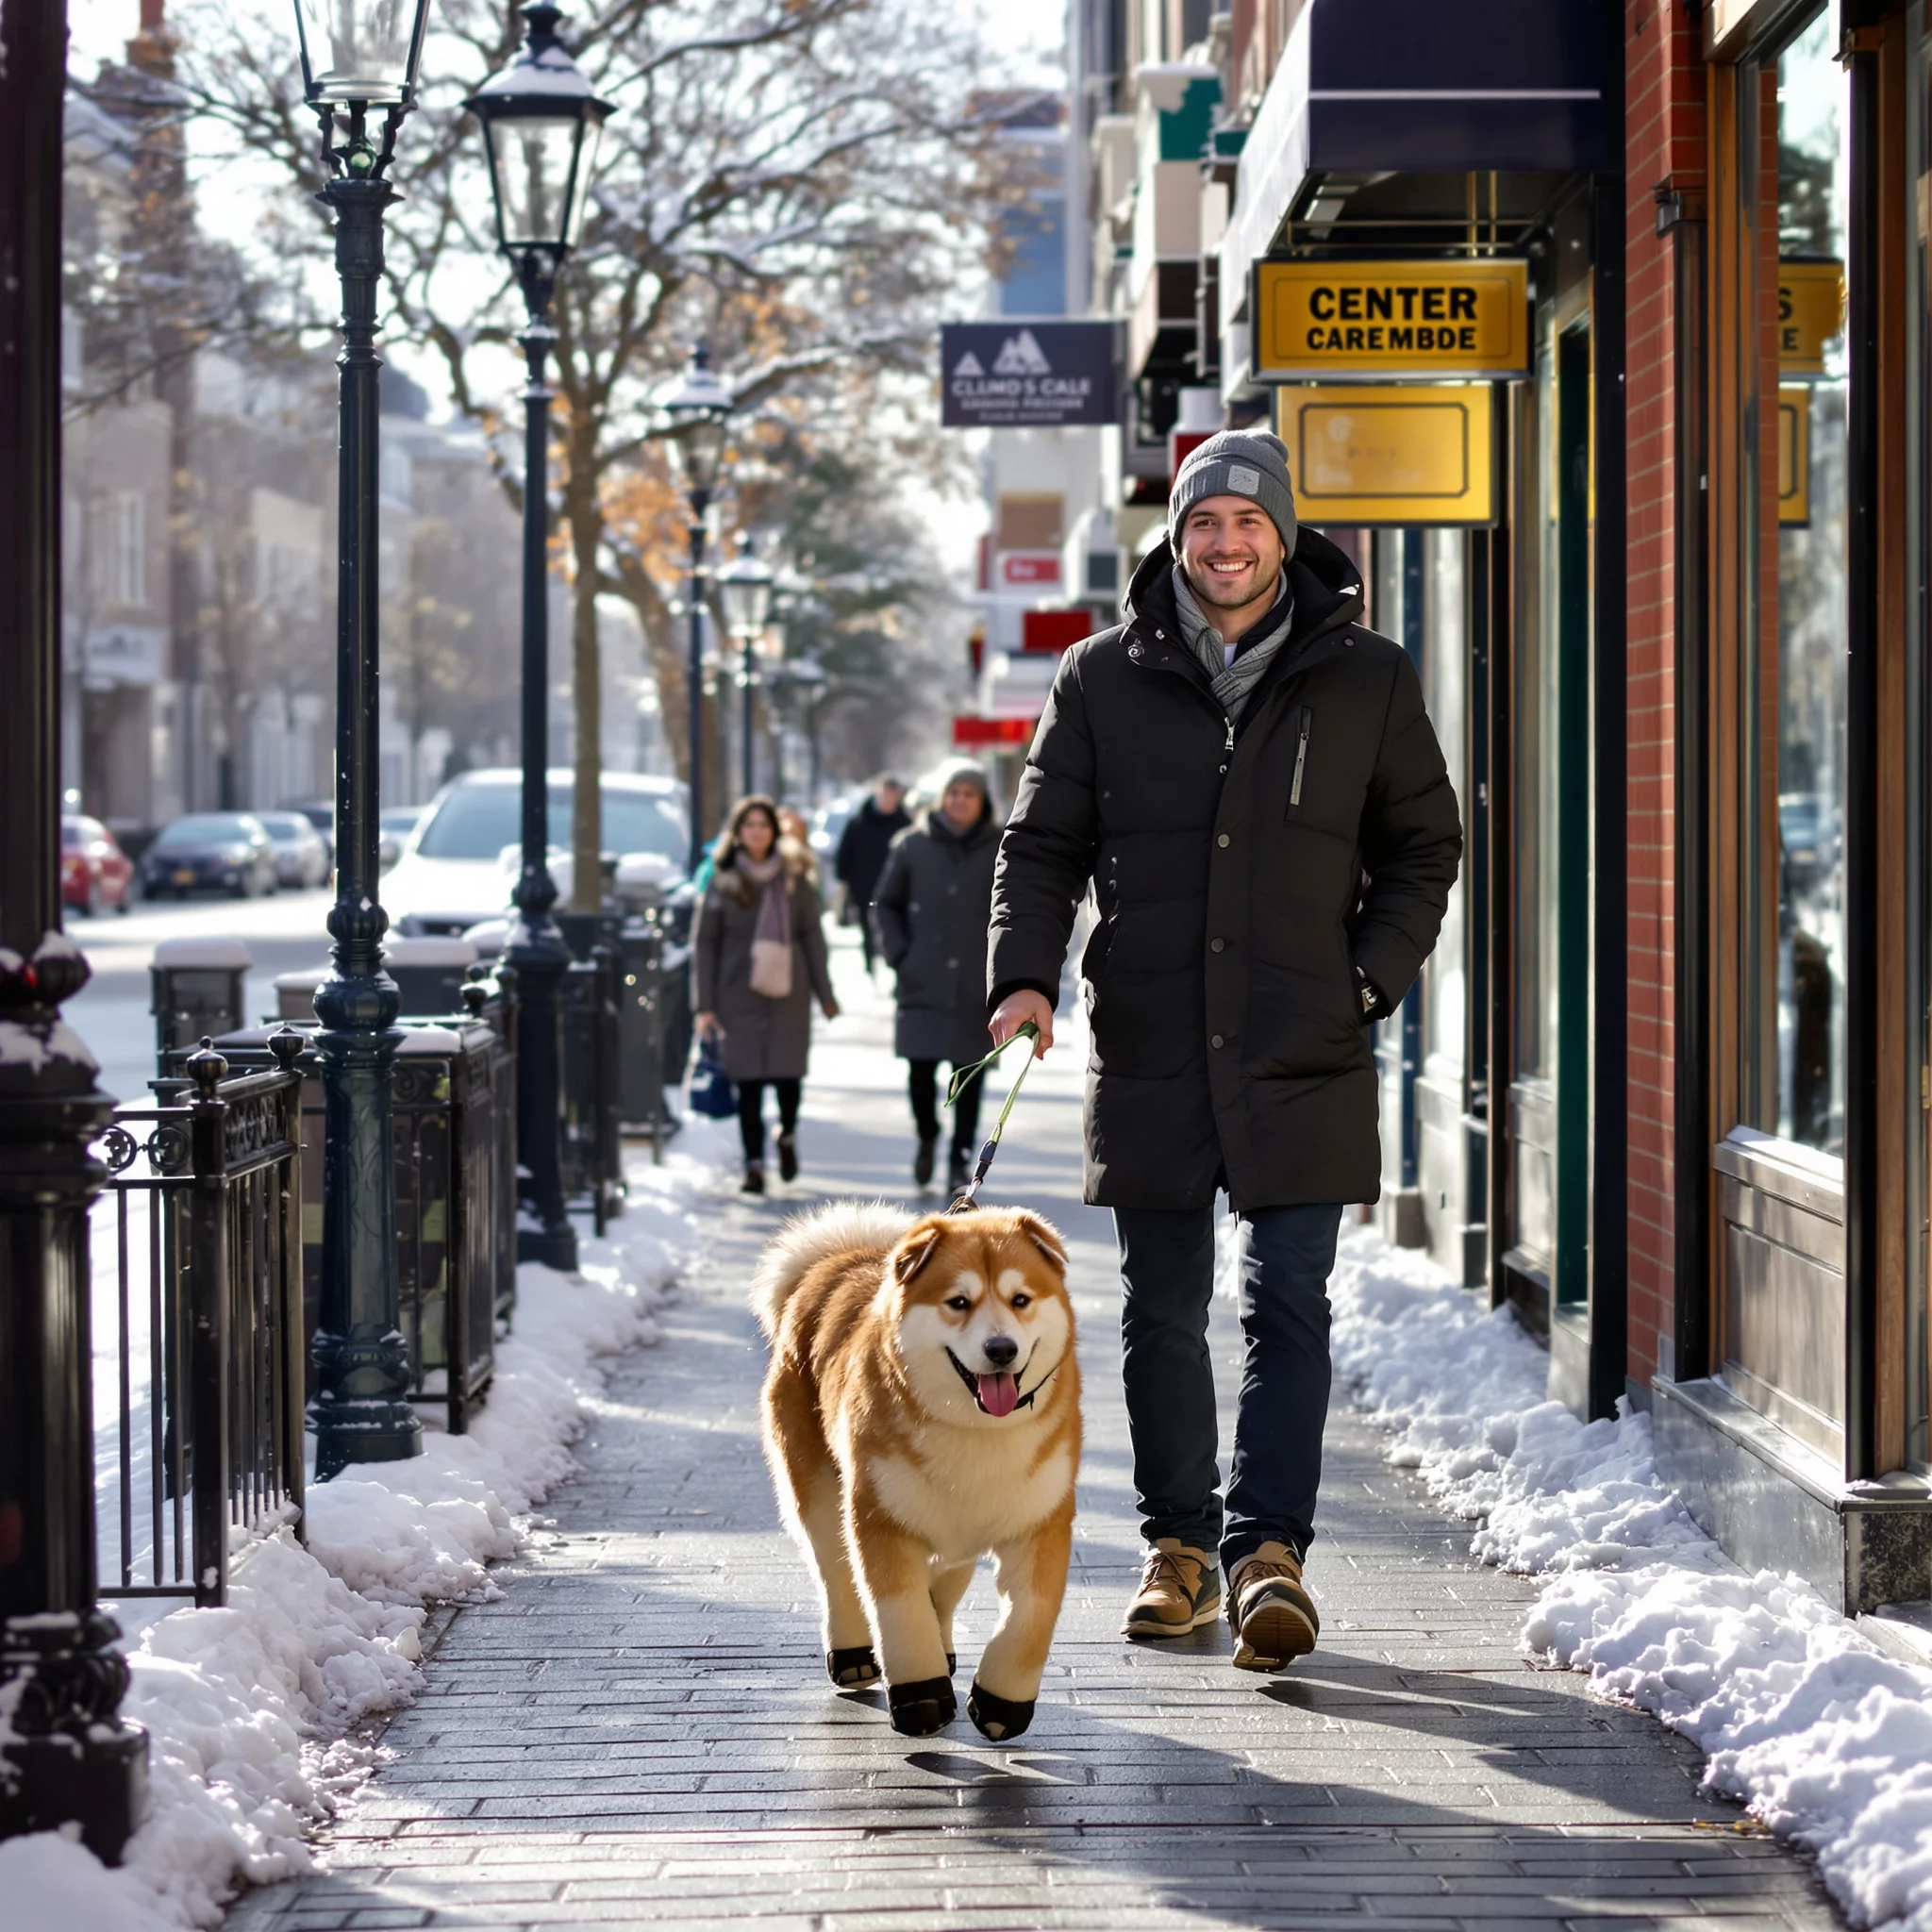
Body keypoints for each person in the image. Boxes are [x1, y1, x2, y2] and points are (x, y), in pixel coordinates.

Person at [984, 429, 1460, 1673]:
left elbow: (1426, 844)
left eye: (1249, 523)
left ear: (1283, 535)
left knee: (1289, 1301)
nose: (1227, 544)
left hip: (1305, 1038)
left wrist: (1369, 975)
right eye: (1206, 523)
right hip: (1151, 1039)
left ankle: (1270, 1554)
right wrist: (1025, 977)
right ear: (1178, 536)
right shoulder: (1099, 678)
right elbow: (1040, 847)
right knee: (1160, 1308)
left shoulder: (1365, 676)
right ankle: (1180, 1551)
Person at [692, 795, 839, 1195]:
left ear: (774, 830)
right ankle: (753, 1164)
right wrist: (704, 1004)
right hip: (736, 991)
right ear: (737, 832)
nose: (757, 831)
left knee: (788, 1077)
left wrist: (825, 994)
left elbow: (812, 936)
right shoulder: (721, 880)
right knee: (749, 1083)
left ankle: (786, 1134)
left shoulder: (794, 878)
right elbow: (705, 943)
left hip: (789, 991)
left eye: (763, 824)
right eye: (749, 825)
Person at [871, 760, 1002, 1193]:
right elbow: (885, 904)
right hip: (921, 978)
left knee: (970, 1073)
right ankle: (927, 1134)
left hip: (974, 984)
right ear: (942, 798)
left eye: (969, 794)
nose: (960, 800)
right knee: (920, 1073)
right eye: (954, 793)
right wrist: (900, 955)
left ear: (981, 802)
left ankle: (961, 1154)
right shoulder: (910, 845)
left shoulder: (1001, 845)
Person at [834, 774, 910, 973]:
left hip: (898, 888)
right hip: (865, 886)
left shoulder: (905, 823)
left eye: (893, 795)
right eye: (885, 794)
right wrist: (843, 885)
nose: (889, 799)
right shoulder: (859, 823)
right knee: (869, 926)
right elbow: (844, 855)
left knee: (895, 925)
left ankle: (892, 964)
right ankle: (870, 965)